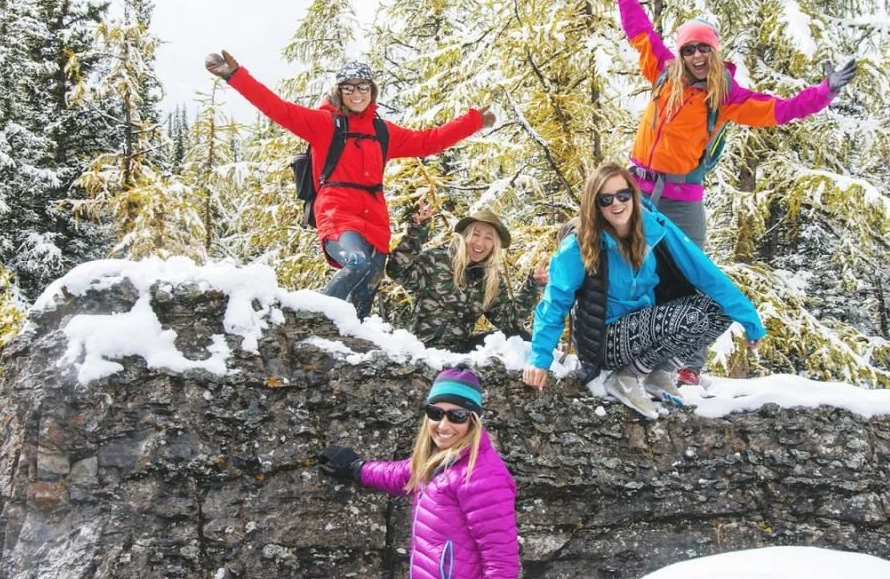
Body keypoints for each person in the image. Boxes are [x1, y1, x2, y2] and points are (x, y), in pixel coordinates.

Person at [600, 0, 854, 387]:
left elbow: (780, 110)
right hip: (634, 192)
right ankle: (620, 351)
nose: (697, 56)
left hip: (680, 199)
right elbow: (636, 27)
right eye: (690, 49)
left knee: (690, 277)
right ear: (681, 54)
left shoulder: (727, 97)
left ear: (715, 53)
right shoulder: (661, 72)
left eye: (704, 49)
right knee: (622, 268)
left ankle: (688, 366)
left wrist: (825, 92)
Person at [205, 51, 494, 319]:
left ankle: (348, 353)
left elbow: (428, 141)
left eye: (363, 87)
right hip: (338, 213)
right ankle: (308, 320)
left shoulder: (382, 131)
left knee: (364, 298)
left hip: (377, 222)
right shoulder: (324, 124)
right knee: (357, 263)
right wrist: (235, 75)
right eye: (349, 88)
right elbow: (278, 109)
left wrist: (473, 122)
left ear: (372, 91)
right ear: (339, 92)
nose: (357, 94)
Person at [521, 163, 765, 419]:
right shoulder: (580, 244)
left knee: (720, 309)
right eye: (606, 199)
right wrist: (539, 358)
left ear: (633, 194)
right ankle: (626, 378)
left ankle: (659, 373)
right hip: (604, 338)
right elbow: (555, 303)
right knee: (691, 318)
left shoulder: (653, 227)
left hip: (644, 328)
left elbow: (703, 271)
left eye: (623, 195)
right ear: (594, 205)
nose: (616, 204)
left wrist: (748, 317)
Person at [318, 366, 520, 579]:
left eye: (457, 415)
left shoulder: (482, 474)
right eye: (435, 413)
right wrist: (356, 469)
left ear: (473, 420)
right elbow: (402, 474)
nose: (443, 425)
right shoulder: (440, 461)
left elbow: (500, 559)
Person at [387, 204, 547, 351]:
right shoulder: (437, 260)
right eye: (475, 234)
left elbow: (509, 322)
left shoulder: (489, 279)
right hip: (424, 349)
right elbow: (397, 270)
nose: (480, 243)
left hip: (460, 350)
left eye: (488, 238)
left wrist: (533, 285)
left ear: (494, 245)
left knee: (522, 338)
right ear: (465, 235)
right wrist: (417, 232)